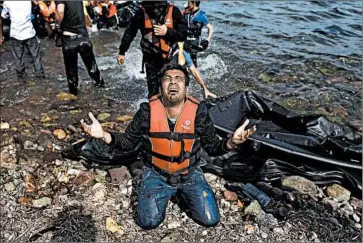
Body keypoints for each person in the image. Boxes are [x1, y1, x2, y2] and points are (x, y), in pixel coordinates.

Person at [80, 63, 257, 229]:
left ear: (186, 89)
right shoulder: (146, 111)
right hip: (156, 173)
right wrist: (103, 134)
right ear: (160, 88)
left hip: (189, 173)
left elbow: (212, 148)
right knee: (148, 222)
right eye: (167, 79)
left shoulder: (199, 112)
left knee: (210, 220)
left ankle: (184, 192)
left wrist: (231, 142)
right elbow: (127, 143)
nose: (173, 82)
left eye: (178, 79)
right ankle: (163, 191)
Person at [117, 1, 187, 98]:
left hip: (170, 57)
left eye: (158, 7)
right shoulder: (140, 14)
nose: (155, 10)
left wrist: (167, 31)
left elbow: (183, 35)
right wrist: (122, 52)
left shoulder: (174, 12)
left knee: (171, 85)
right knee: (153, 89)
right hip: (150, 58)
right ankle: (154, 106)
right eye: (152, 7)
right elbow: (130, 32)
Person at [55, 1, 105, 96]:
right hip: (83, 37)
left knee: (72, 74)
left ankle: (74, 98)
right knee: (93, 69)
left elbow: (60, 11)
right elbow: (86, 17)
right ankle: (102, 92)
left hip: (69, 40)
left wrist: (58, 24)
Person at [0, 1, 45, 79]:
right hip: (29, 33)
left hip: (15, 34)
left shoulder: (7, 2)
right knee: (36, 56)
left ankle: (21, 78)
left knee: (18, 58)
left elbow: (4, 15)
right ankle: (40, 76)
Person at [183, 1, 213, 67]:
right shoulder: (186, 13)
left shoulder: (202, 16)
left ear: (193, 4)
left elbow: (210, 28)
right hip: (185, 40)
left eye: (189, 3)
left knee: (192, 62)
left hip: (194, 42)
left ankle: (194, 73)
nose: (187, 5)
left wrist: (207, 40)